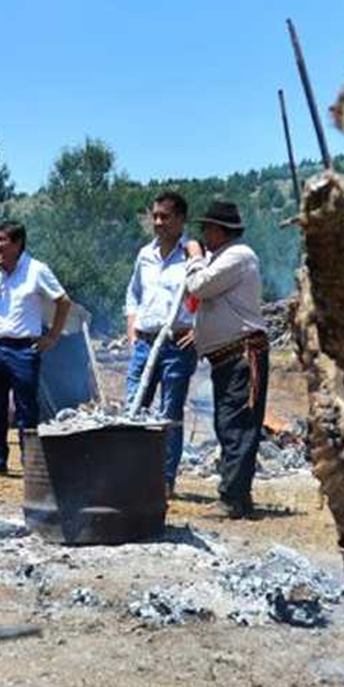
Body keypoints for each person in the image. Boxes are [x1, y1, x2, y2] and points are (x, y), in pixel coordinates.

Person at [182, 200, 267, 518]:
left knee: (238, 426)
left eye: (207, 228)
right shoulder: (223, 258)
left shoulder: (237, 256)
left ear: (221, 230)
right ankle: (237, 497)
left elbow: (199, 286)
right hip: (228, 355)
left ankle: (232, 498)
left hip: (242, 353)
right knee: (229, 424)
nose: (203, 234)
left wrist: (194, 258)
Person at [0, 221, 71, 476]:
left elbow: (63, 301)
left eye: (2, 240)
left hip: (23, 348)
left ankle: (30, 462)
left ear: (17, 244)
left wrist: (53, 336)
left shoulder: (36, 270)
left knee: (26, 408)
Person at [123, 190, 198, 494]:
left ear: (181, 219)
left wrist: (199, 329)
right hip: (144, 343)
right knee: (134, 408)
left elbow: (204, 295)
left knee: (170, 414)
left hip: (176, 345)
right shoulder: (145, 254)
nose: (157, 222)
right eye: (154, 216)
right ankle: (129, 472)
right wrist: (132, 331)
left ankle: (164, 480)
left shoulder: (192, 256)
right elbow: (133, 295)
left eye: (165, 216)